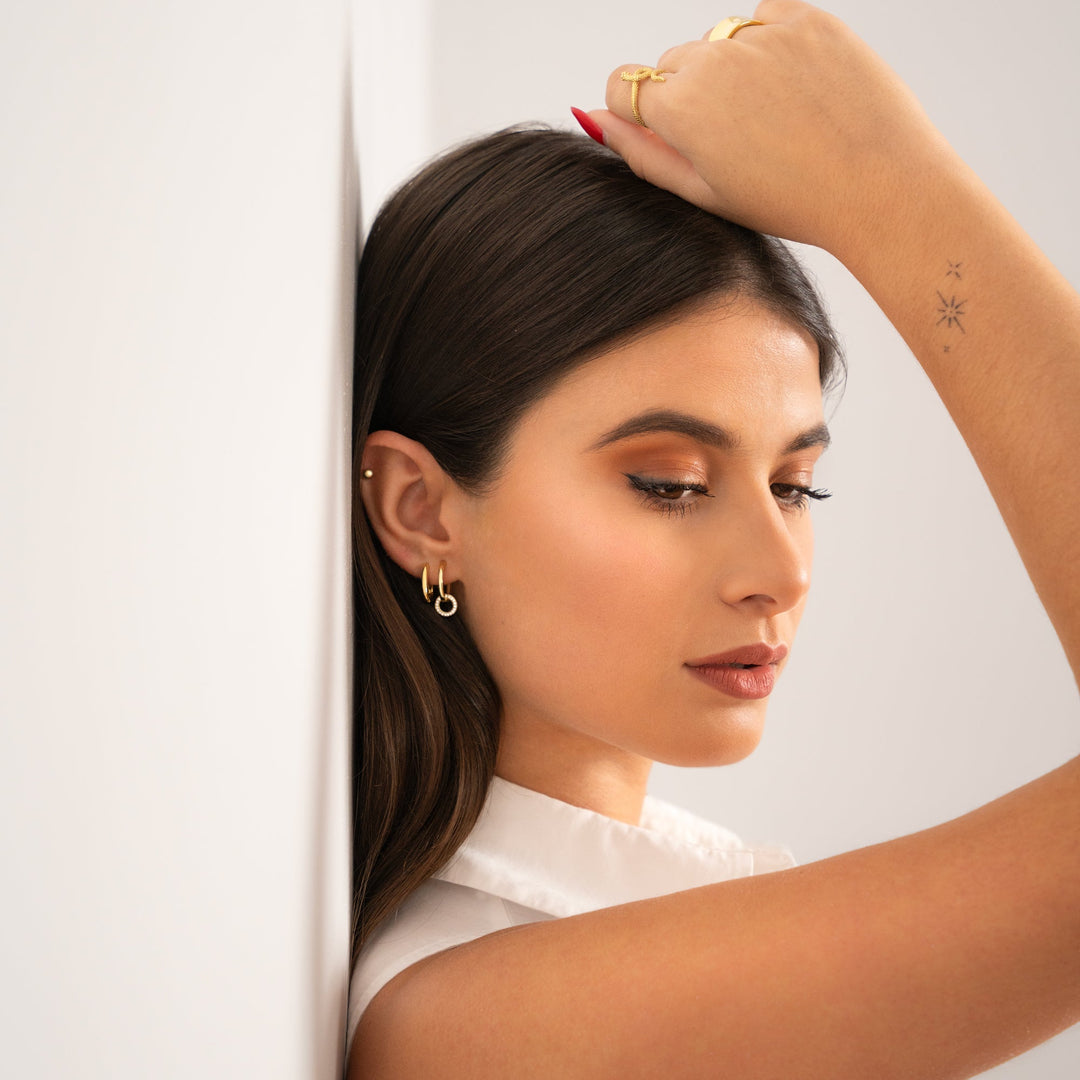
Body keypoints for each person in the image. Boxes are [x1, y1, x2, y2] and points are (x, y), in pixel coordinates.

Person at [347, 3, 1080, 1076]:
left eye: (795, 486)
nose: (780, 573)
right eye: (670, 484)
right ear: (422, 508)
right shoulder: (469, 1019)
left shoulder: (629, 917)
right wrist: (889, 182)